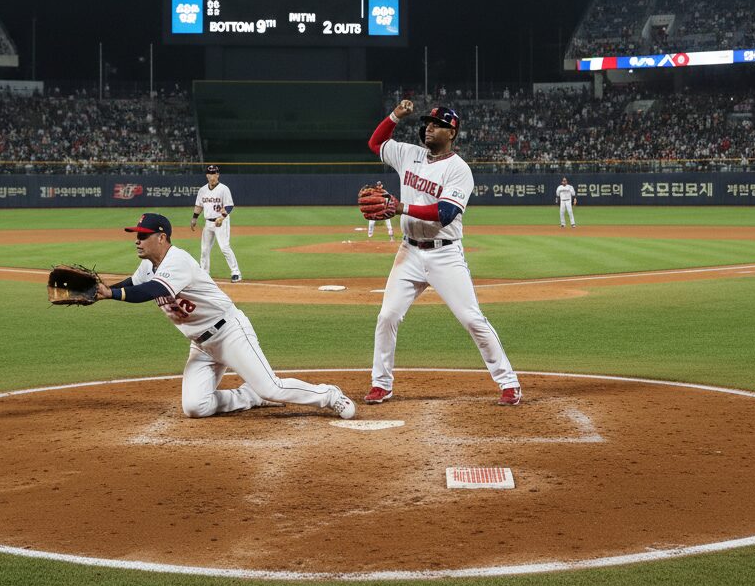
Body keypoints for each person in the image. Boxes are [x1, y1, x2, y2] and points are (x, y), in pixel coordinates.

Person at [95, 213, 355, 419]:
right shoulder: (148, 265)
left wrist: (111, 295)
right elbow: (133, 283)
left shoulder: (178, 261)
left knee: (272, 388)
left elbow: (152, 290)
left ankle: (329, 395)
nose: (137, 240)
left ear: (161, 238)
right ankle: (249, 397)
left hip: (229, 332)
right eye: (136, 235)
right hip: (201, 344)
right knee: (195, 407)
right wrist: (100, 291)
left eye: (143, 235)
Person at [363, 100, 522, 406]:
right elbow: (376, 143)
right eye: (427, 123)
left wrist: (401, 207)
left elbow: (446, 212)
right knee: (387, 316)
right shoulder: (409, 154)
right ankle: (381, 384)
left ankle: (509, 382)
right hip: (408, 252)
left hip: (444, 256)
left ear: (452, 133)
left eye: (436, 125)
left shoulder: (459, 170)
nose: (429, 127)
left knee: (472, 319)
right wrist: (396, 115)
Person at [190, 164, 242, 282]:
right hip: (208, 223)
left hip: (221, 222)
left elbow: (229, 206)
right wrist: (194, 218)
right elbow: (199, 205)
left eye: (214, 173)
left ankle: (236, 273)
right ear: (207, 175)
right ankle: (204, 273)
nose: (212, 176)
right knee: (204, 249)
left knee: (224, 247)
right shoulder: (202, 190)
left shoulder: (224, 189)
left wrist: (222, 217)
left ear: (218, 175)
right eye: (210, 173)